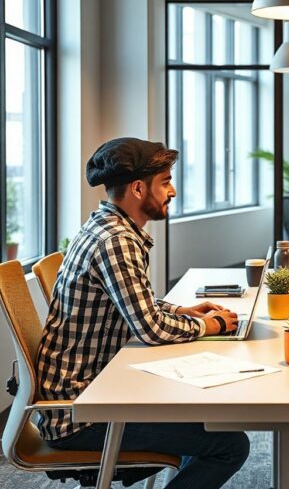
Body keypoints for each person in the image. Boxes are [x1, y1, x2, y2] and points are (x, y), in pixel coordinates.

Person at [37, 137, 249, 489]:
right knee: (229, 444)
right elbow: (150, 329)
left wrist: (181, 310)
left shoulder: (105, 227)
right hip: (83, 413)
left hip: (92, 394)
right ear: (138, 188)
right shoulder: (116, 241)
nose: (173, 191)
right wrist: (208, 324)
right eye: (165, 182)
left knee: (200, 417)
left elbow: (133, 304)